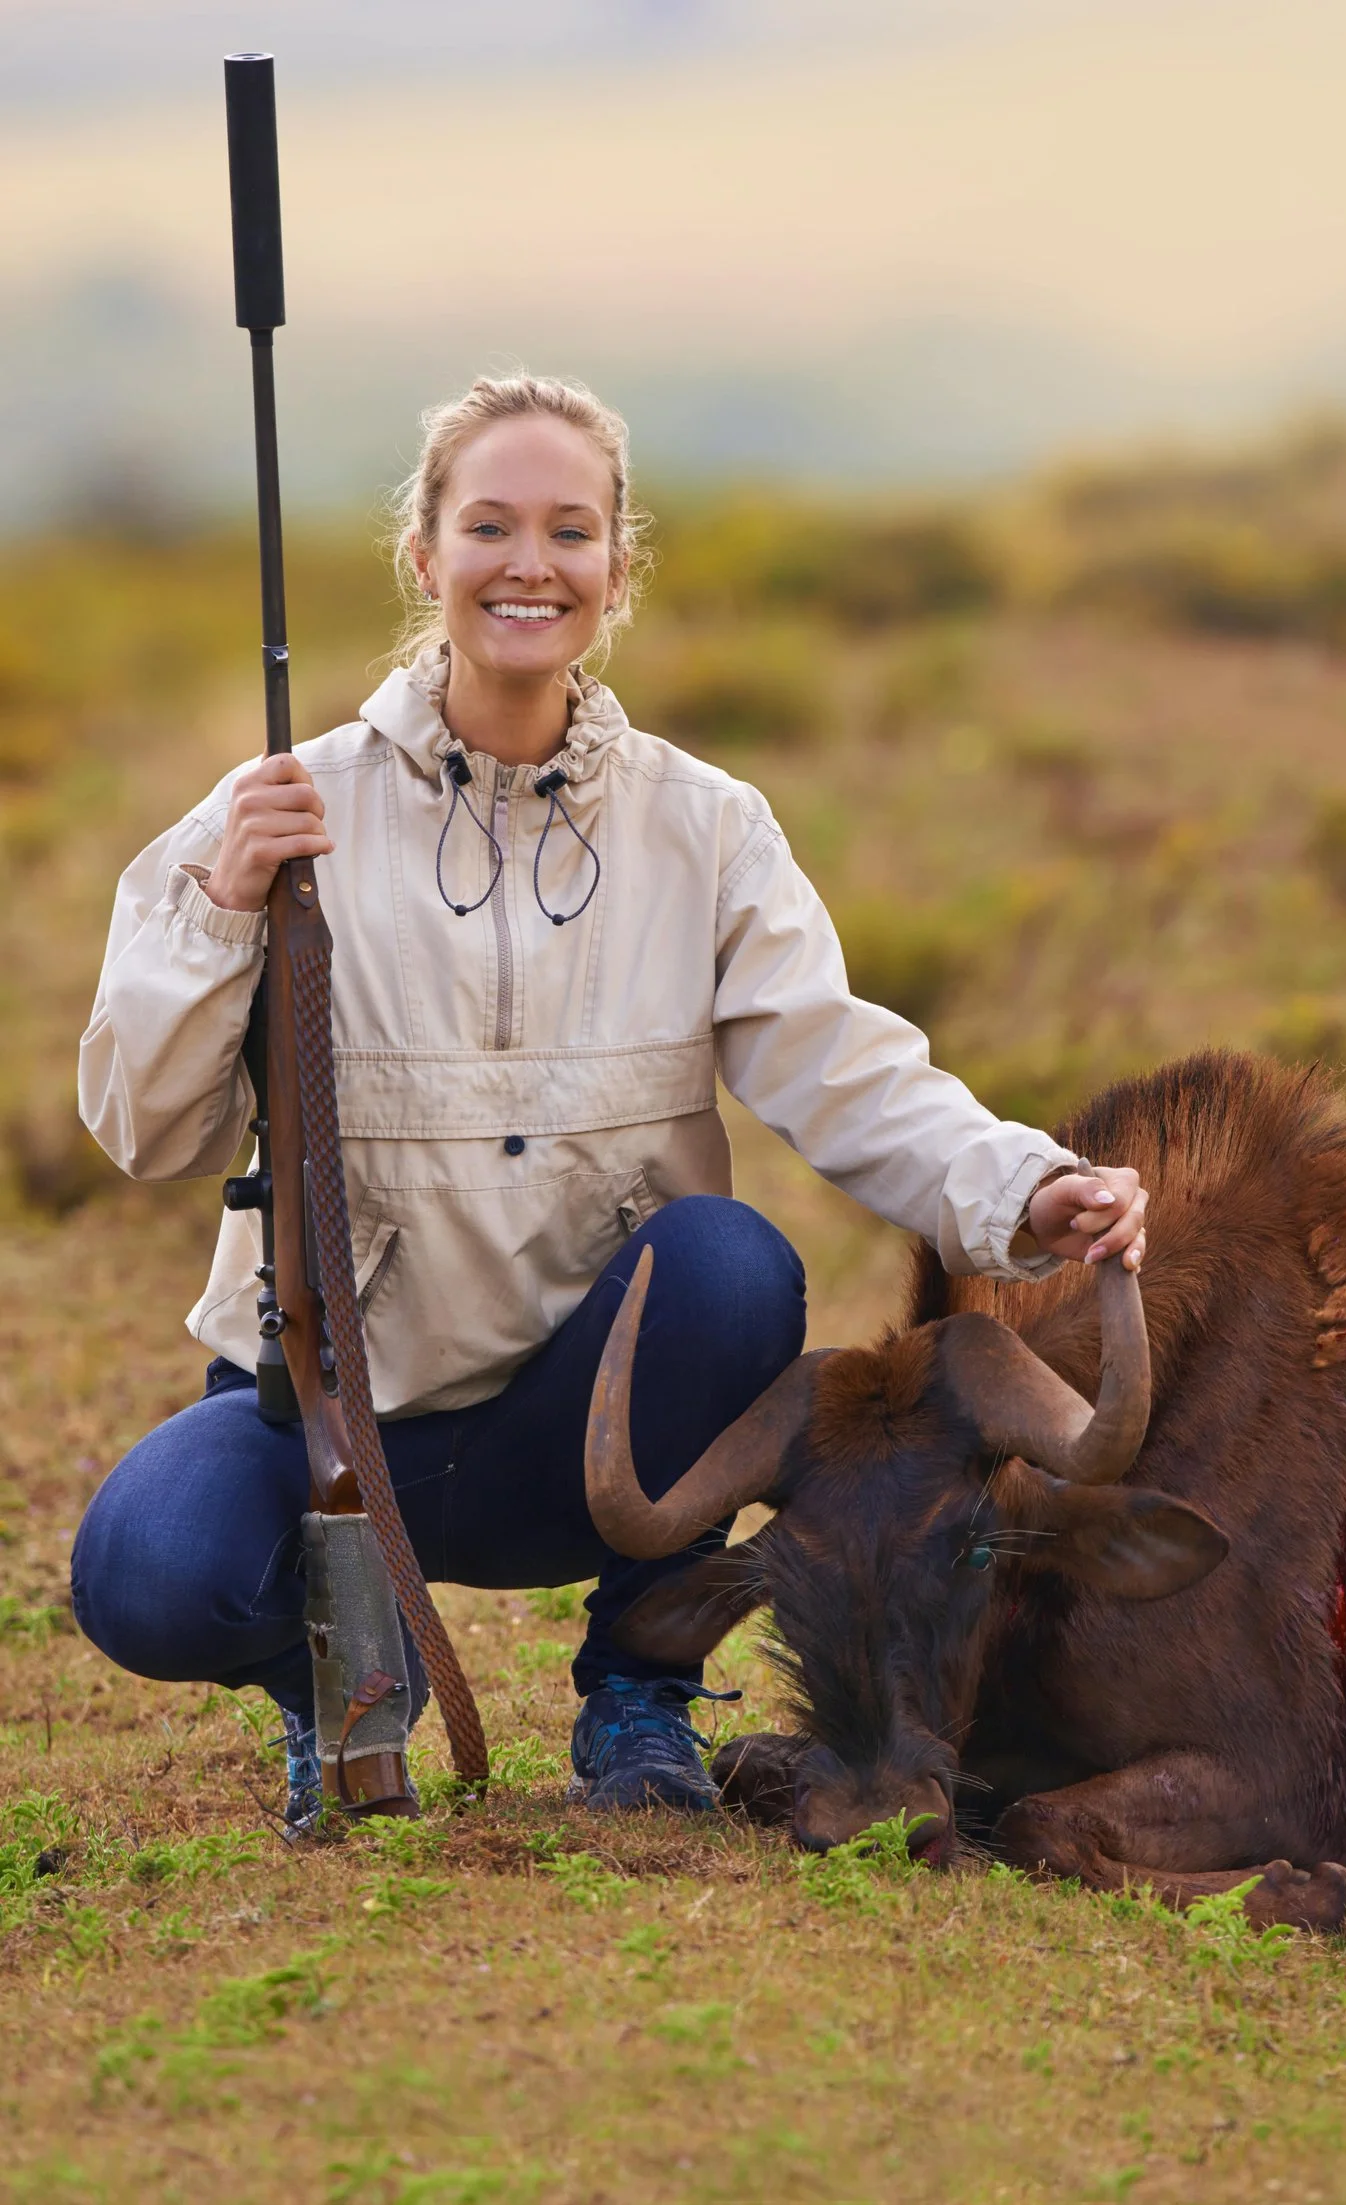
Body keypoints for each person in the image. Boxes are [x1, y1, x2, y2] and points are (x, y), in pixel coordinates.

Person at [70, 373, 1146, 1832]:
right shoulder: (279, 812)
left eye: (570, 531)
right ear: (425, 555)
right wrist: (222, 907)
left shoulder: (705, 824)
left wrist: (1021, 1190)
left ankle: (636, 1702)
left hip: (588, 1440)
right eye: (490, 526)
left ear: (616, 568)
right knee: (141, 1572)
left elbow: (841, 1066)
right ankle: (332, 1671)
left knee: (732, 1265)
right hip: (331, 1409)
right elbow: (146, 1132)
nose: (530, 564)